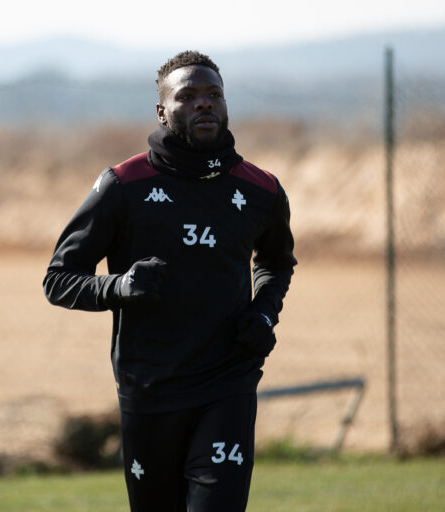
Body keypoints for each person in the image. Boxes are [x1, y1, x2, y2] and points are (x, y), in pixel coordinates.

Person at [43, 50, 296, 511]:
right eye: (188, 96)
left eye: (214, 94)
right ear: (162, 110)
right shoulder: (123, 185)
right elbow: (59, 279)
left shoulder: (261, 190)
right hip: (149, 388)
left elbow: (277, 263)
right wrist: (118, 287)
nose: (204, 104)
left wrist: (264, 312)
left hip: (229, 381)